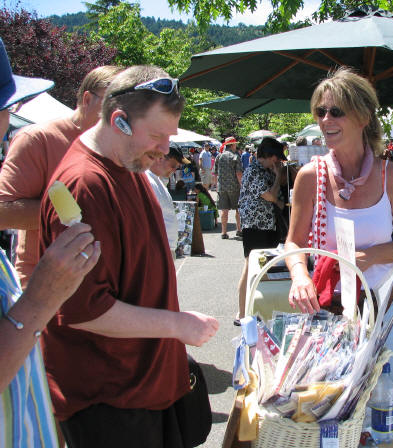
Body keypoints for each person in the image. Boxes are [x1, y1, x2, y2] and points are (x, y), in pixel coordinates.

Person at [39, 65, 219, 448]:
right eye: (157, 135)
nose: (165, 149)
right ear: (119, 121)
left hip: (144, 392)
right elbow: (87, 311)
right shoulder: (84, 186)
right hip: (111, 402)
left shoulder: (130, 164)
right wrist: (177, 325)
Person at [284, 67, 393, 405]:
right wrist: (299, 275)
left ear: (363, 117)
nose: (325, 119)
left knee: (380, 409)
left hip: (380, 313)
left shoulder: (391, 176)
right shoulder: (309, 177)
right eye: (320, 111)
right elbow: (293, 243)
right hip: (330, 315)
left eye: (336, 111)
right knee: (329, 411)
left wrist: (375, 255)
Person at [0, 36, 101, 448]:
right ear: (88, 99)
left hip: (85, 293)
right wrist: (61, 212)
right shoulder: (39, 139)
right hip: (41, 295)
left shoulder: (110, 150)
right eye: (6, 108)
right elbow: (4, 208)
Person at [0, 64, 123, 289]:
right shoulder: (38, 139)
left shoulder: (119, 147)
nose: (119, 118)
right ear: (87, 100)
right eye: (112, 106)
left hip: (104, 287)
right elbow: (3, 213)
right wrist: (82, 210)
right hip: (46, 290)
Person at [236, 137, 285, 320]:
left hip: (266, 224)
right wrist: (278, 175)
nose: (278, 161)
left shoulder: (264, 170)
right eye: (276, 157)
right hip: (255, 225)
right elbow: (270, 196)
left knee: (262, 266)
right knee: (251, 265)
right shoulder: (254, 171)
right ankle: (241, 313)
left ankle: (253, 309)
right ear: (269, 155)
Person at [146, 144, 190, 258]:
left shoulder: (157, 180)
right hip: (158, 251)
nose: (175, 169)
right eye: (173, 165)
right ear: (160, 158)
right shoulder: (148, 182)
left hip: (164, 249)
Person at [214, 136, 243, 239]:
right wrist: (242, 185)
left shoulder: (219, 156)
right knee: (238, 209)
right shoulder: (235, 156)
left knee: (224, 210)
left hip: (222, 187)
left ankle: (224, 232)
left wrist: (216, 186)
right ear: (232, 145)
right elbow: (239, 173)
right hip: (234, 187)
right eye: (235, 144)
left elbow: (215, 173)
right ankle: (239, 230)